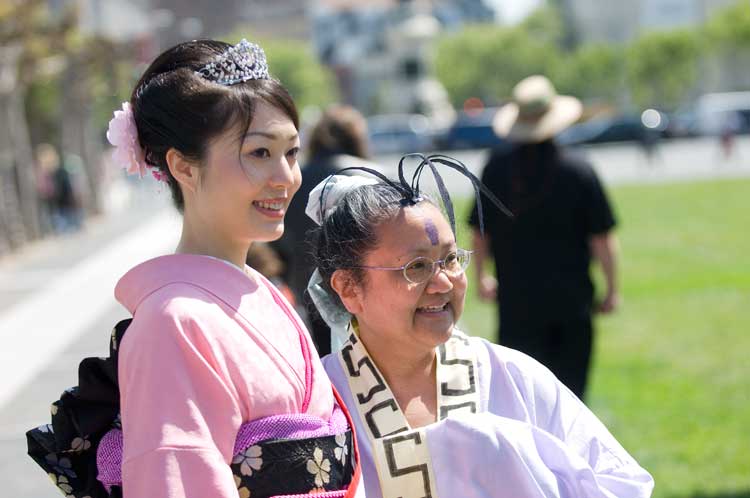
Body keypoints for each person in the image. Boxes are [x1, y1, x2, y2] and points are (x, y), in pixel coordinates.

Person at [26, 39, 363, 498]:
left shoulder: (259, 291)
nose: (285, 177)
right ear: (183, 166)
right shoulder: (173, 323)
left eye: (291, 152)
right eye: (259, 153)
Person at [304, 154, 653, 498]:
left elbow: (622, 484)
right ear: (350, 288)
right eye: (417, 267)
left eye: (451, 259)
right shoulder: (318, 404)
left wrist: (513, 455)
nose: (443, 282)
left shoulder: (513, 376)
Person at [469, 75, 619, 400]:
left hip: (516, 304)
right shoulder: (578, 169)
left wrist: (481, 277)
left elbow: (480, 232)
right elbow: (602, 238)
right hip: (572, 302)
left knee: (524, 402)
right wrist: (611, 289)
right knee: (572, 400)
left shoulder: (495, 168)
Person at [273, 104, 376, 355]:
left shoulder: (292, 182)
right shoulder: (375, 178)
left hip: (307, 296)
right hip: (369, 296)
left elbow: (277, 246)